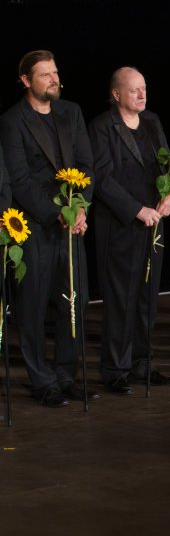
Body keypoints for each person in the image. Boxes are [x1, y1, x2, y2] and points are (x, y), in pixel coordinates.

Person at [0, 50, 96, 407]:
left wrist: (81, 207)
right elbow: (21, 180)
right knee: (34, 305)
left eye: (55, 73)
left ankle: (65, 375)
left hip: (73, 222)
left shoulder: (71, 112)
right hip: (34, 225)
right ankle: (41, 380)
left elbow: (87, 164)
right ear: (26, 80)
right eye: (45, 75)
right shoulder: (13, 121)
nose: (54, 79)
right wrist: (56, 214)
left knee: (74, 300)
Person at [89, 66, 170, 395]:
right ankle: (115, 368)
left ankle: (142, 364)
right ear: (116, 95)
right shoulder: (102, 127)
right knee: (121, 299)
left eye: (144, 88)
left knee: (147, 298)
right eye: (134, 90)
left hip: (153, 224)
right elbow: (101, 178)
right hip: (121, 225)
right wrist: (135, 210)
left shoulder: (153, 122)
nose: (142, 95)